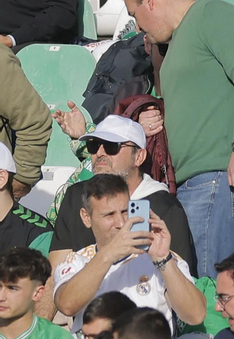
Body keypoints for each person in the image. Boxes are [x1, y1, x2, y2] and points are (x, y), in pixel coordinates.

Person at [118, 0, 234, 278]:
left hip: (217, 178)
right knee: (187, 284)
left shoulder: (213, 14)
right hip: (194, 183)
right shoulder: (175, 42)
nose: (138, 26)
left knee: (204, 287)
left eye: (135, 14)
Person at [51, 173, 206, 332]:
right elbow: (66, 305)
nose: (120, 223)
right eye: (109, 215)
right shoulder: (77, 260)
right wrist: (108, 255)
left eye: (125, 211)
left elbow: (195, 315)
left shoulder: (159, 258)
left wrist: (163, 259)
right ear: (86, 217)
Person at [50, 114, 196, 279]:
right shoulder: (76, 196)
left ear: (139, 157)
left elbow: (180, 279)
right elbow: (56, 272)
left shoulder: (164, 207)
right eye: (94, 145)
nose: (100, 153)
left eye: (112, 146)